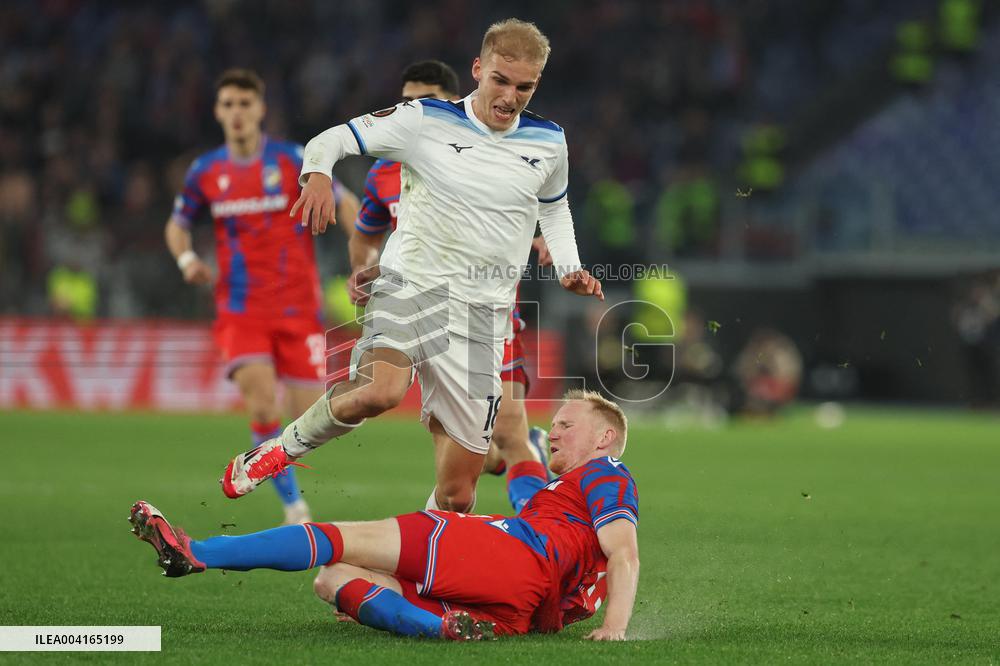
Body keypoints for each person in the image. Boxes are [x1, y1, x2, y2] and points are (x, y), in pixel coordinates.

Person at [220, 20, 604, 515]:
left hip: (483, 318)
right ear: (477, 69)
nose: (510, 97)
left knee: (458, 492)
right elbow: (332, 139)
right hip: (411, 285)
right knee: (381, 391)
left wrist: (569, 266)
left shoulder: (549, 142)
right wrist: (316, 173)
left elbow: (554, 207)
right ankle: (276, 450)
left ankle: (418, 575)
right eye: (500, 80)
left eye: (524, 87)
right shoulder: (424, 119)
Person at [130, 391, 639, 640]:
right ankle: (439, 628)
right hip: (522, 611)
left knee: (335, 537)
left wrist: (616, 627)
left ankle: (195, 552)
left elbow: (626, 554)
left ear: (604, 438)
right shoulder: (563, 499)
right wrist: (515, 437)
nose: (554, 432)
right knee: (332, 580)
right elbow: (527, 478)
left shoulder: (607, 473)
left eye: (566, 425)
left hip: (512, 555)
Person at [346, 59, 553, 513]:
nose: (414, 110)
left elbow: (537, 208)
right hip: (421, 315)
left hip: (488, 315)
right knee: (462, 443)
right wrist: (364, 269)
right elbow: (366, 232)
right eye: (407, 102)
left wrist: (547, 239)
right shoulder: (385, 170)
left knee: (510, 431)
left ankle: (545, 541)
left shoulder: (492, 153)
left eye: (427, 101)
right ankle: (457, 522)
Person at [165, 69, 360, 524]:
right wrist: (187, 260)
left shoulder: (293, 160)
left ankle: (296, 469)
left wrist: (361, 257)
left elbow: (347, 202)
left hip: (298, 309)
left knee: (309, 418)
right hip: (240, 309)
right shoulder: (206, 171)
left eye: (244, 104)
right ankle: (294, 506)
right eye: (228, 104)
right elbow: (176, 225)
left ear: (260, 109)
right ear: (218, 111)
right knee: (260, 405)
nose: (237, 112)